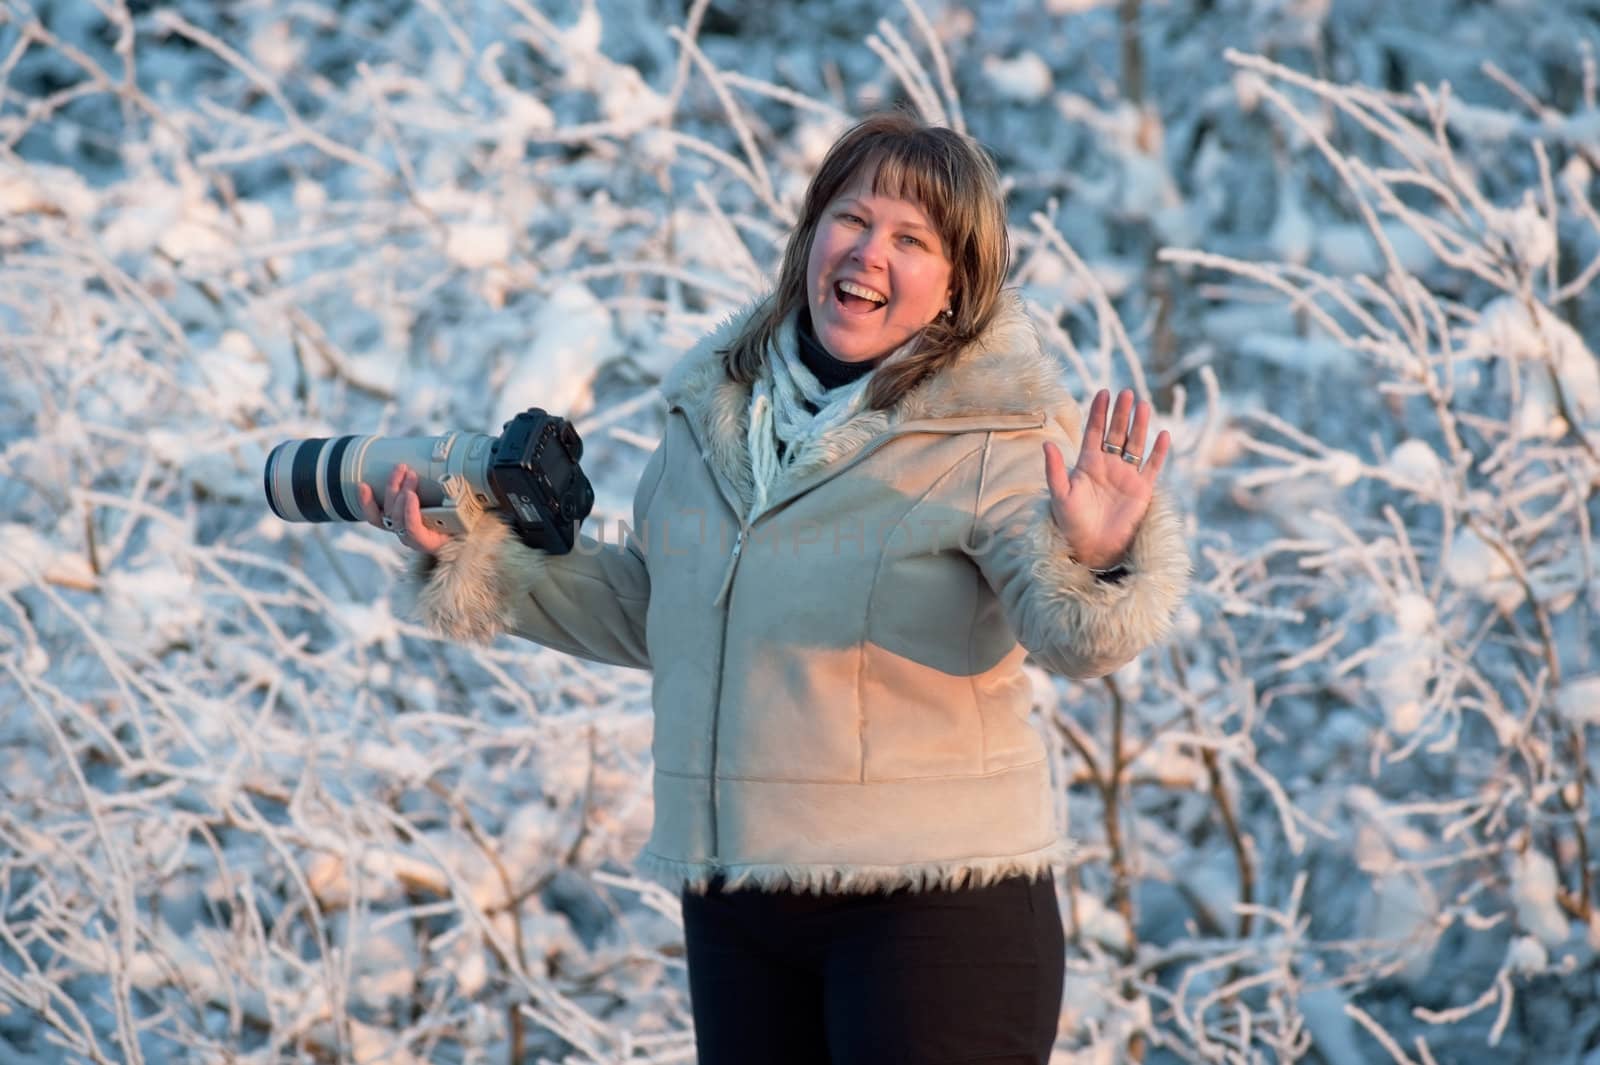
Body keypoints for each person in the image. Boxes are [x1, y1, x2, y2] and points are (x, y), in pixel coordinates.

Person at [360, 111, 1192, 1065]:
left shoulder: (999, 432)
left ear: (957, 282)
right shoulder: (711, 413)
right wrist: (478, 552)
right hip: (740, 904)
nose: (870, 252)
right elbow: (661, 611)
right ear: (811, 236)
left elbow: (1074, 639)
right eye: (852, 218)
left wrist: (1095, 553)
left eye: (911, 239)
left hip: (932, 911)